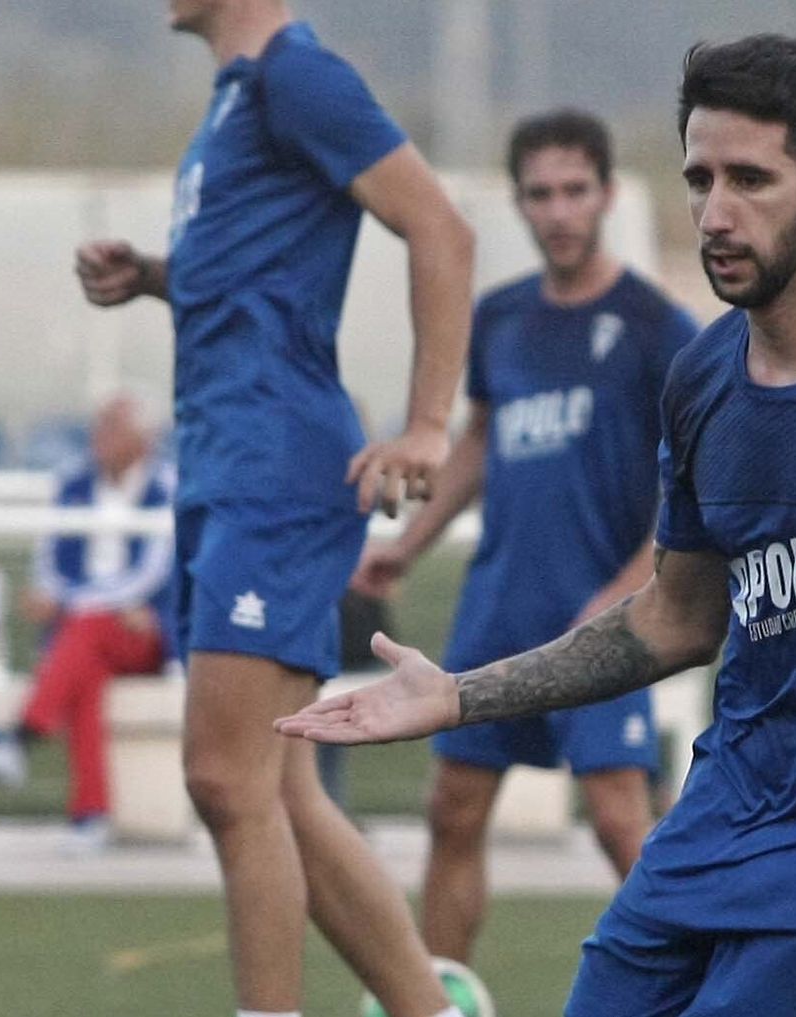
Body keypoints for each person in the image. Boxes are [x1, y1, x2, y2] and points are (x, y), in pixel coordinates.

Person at [276, 33, 796, 1017]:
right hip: (711, 834)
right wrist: (458, 697)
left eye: (750, 180)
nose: (715, 214)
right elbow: (674, 619)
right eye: (697, 178)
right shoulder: (699, 383)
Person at [72, 2, 474, 1015]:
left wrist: (428, 425)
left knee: (222, 780)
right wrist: (159, 281)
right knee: (275, 787)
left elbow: (441, 228)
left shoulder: (301, 76)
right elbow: (261, 280)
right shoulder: (235, 99)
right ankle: (432, 1011)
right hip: (221, 465)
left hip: (278, 470)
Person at [350, 109, 700, 964]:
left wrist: (640, 587)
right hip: (501, 600)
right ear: (520, 204)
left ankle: (699, 988)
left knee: (621, 817)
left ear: (608, 196)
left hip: (604, 611)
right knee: (453, 807)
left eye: (575, 190)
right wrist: (411, 540)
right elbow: (479, 437)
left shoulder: (657, 327)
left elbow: (691, 481)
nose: (559, 211)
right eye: (539, 194)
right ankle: (441, 994)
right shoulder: (502, 317)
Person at [0, 393, 176, 854]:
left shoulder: (166, 487)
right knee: (86, 675)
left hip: (144, 630)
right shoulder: (73, 483)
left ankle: (20, 738)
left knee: (86, 629)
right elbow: (48, 558)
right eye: (98, 427)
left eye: (113, 428)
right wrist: (68, 600)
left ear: (144, 439)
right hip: (89, 632)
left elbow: (153, 570)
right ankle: (89, 816)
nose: (101, 438)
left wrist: (74, 603)